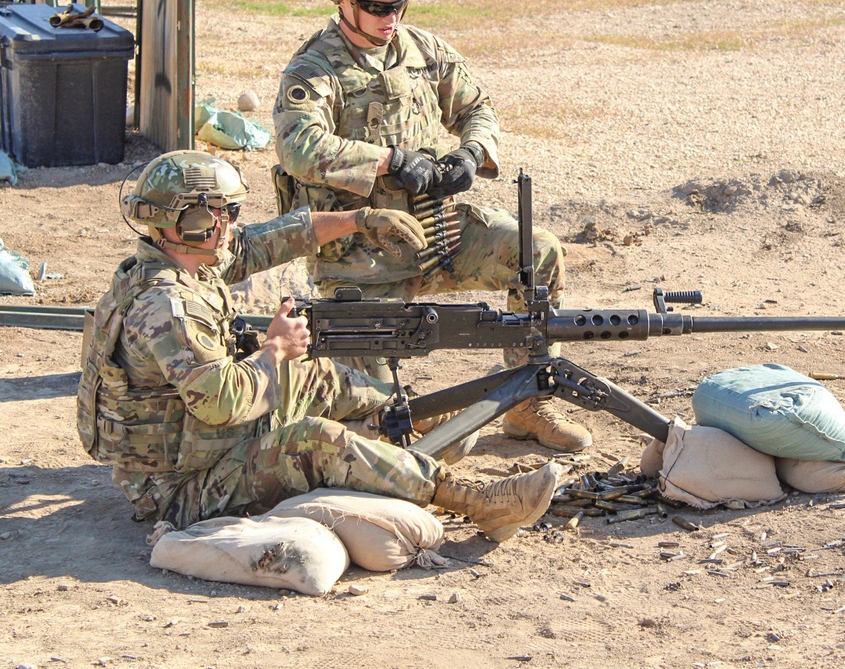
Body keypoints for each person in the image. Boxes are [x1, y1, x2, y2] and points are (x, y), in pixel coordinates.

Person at [76, 150, 560, 543]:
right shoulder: (168, 305)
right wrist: (273, 351)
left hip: (199, 446)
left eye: (230, 211)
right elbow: (220, 401)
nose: (226, 224)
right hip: (180, 490)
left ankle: (401, 426)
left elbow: (266, 242)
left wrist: (361, 219)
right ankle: (473, 500)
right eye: (214, 214)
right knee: (309, 439)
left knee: (316, 376)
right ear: (178, 222)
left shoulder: (186, 261)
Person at [272, 0, 592, 453]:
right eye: (377, 6)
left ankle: (529, 400)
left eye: (400, 3)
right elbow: (298, 146)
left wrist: (472, 152)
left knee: (538, 254)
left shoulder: (421, 49)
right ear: (344, 0)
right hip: (361, 254)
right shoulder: (315, 68)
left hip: (437, 235)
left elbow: (477, 106)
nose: (390, 16)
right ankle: (394, 408)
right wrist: (389, 162)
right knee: (390, 428)